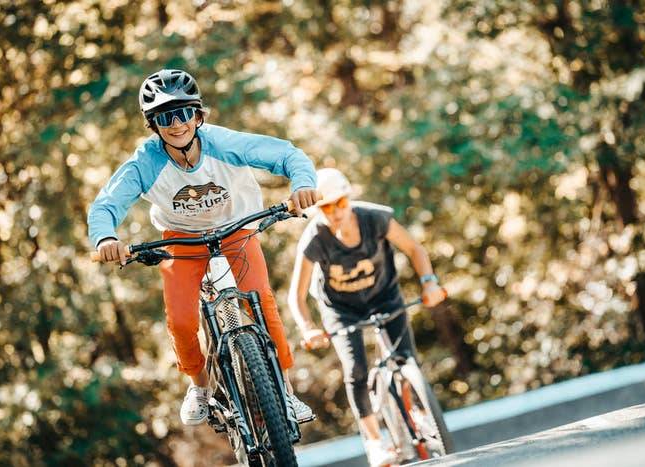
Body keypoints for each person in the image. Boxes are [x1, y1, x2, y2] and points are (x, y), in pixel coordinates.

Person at [88, 68, 318, 426]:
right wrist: (106, 238)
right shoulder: (146, 161)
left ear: (198, 116)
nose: (176, 124)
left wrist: (302, 183)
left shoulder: (223, 143)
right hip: (182, 239)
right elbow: (106, 206)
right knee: (181, 320)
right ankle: (199, 386)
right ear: (153, 125)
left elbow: (288, 155)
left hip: (237, 230)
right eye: (165, 117)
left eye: (183, 113)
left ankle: (286, 392)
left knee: (260, 300)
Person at [288, 168, 447, 466]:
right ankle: (375, 442)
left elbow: (414, 248)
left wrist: (429, 283)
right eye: (326, 207)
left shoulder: (375, 218)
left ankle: (417, 408)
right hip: (341, 309)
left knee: (406, 358)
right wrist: (308, 328)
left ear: (349, 198)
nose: (335, 212)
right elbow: (295, 296)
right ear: (318, 210)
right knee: (357, 370)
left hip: (385, 295)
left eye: (340, 203)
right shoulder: (314, 239)